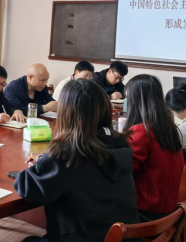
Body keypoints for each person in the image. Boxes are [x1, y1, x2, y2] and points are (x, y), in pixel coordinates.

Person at [14, 79, 139, 241]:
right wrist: (48, 161)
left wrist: (44, 163)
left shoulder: (68, 154)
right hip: (124, 237)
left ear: (66, 113)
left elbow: (28, 189)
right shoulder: (119, 143)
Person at [123, 74, 185, 221]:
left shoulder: (142, 131)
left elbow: (124, 170)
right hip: (171, 208)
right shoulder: (168, 127)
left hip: (149, 211)